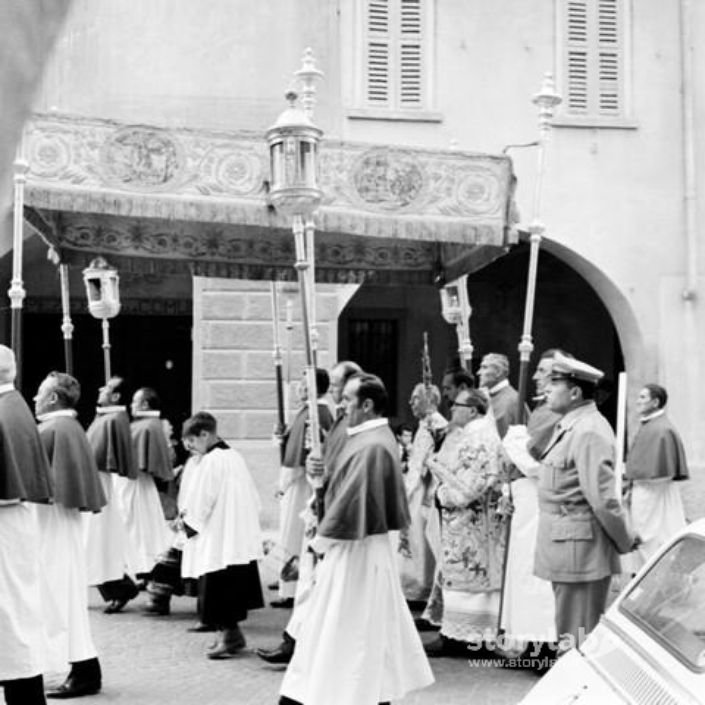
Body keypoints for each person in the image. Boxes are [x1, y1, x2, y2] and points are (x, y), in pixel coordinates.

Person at [279, 373, 434, 705]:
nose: (341, 405)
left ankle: (347, 692)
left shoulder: (374, 445)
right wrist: (316, 473)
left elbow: (353, 504)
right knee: (341, 624)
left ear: (367, 404)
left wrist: (318, 544)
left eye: (347, 400)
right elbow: (337, 483)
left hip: (356, 550)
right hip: (350, 547)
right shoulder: (362, 437)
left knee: (349, 624)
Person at [256, 360, 362, 665]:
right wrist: (283, 436)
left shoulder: (327, 414)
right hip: (314, 500)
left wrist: (316, 471)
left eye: (340, 386)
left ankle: (301, 639)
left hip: (318, 496)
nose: (301, 388)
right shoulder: (324, 413)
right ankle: (296, 633)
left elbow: (326, 451)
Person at [536, 353, 637, 652]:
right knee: (570, 632)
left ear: (575, 392)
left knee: (578, 639)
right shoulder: (571, 424)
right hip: (567, 545)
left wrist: (625, 540)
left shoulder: (589, 430)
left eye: (554, 384)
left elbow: (603, 499)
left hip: (579, 549)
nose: (546, 390)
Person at [34, 371, 106, 699]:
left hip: (54, 527)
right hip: (59, 524)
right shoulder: (65, 427)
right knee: (64, 600)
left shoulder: (55, 429)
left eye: (39, 393)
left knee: (61, 600)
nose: (35, 399)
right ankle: (83, 669)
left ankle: (83, 671)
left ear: (52, 398)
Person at [423, 389, 508, 656]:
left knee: (468, 575)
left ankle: (464, 639)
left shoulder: (478, 438)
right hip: (471, 523)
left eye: (456, 405)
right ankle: (464, 635)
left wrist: (441, 493)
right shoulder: (476, 434)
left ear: (473, 410)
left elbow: (468, 488)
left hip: (471, 523)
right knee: (466, 574)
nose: (451, 409)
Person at [180, 412, 264, 659]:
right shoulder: (234, 456)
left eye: (193, 442)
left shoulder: (212, 461)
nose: (192, 449)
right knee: (231, 585)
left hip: (219, 534)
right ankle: (230, 635)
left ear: (204, 434)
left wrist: (188, 524)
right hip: (234, 532)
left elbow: (202, 498)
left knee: (218, 587)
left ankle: (228, 637)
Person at [499, 350, 566, 651]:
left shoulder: (559, 415)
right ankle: (528, 639)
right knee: (522, 572)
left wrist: (515, 444)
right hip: (525, 499)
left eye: (544, 371)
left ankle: (544, 643)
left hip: (541, 499)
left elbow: (542, 464)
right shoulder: (541, 410)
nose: (537, 377)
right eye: (536, 370)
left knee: (536, 573)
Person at [0, 345, 53, 705]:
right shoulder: (14, 405)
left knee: (10, 623)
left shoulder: (4, 410)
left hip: (5, 525)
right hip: (12, 524)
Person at [272, 368, 333, 608]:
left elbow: (301, 456)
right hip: (301, 485)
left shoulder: (315, 414)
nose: (299, 387)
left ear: (313, 387)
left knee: (295, 534)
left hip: (302, 487)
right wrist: (282, 437)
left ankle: (294, 585)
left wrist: (282, 483)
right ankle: (291, 581)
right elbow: (293, 444)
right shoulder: (312, 412)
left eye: (303, 383)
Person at [85, 376, 140, 614]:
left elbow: (111, 459)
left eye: (106, 388)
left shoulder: (115, 419)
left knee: (97, 543)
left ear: (116, 396)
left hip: (102, 486)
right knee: (93, 543)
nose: (100, 389)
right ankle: (117, 587)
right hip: (95, 483)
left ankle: (120, 588)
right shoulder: (106, 416)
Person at [624, 383, 688, 570]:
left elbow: (659, 471)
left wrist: (634, 478)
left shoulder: (661, 429)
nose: (638, 401)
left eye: (643, 397)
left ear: (655, 402)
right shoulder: (651, 425)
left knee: (650, 537)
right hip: (645, 491)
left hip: (651, 493)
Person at [398, 382, 447, 605]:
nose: (411, 403)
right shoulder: (424, 424)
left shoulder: (434, 425)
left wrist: (405, 492)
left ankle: (422, 586)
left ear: (431, 400)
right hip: (419, 488)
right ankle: (417, 584)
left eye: (416, 398)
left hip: (425, 490)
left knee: (421, 537)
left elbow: (420, 465)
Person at [128, 387, 175, 578]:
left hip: (138, 483)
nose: (131, 405)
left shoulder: (149, 426)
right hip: (135, 483)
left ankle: (141, 566)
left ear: (145, 404)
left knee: (138, 527)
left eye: (134, 401)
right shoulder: (146, 425)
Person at [477, 353, 524, 438]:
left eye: (484, 367)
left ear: (498, 372)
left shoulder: (510, 400)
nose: (478, 373)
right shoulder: (488, 396)